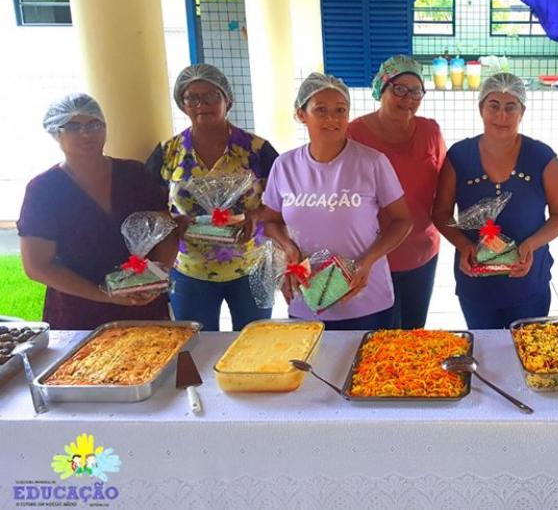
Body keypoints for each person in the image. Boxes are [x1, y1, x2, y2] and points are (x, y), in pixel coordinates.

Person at [260, 73, 413, 330]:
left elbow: (403, 220)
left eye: (340, 110)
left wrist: (367, 261)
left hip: (366, 297)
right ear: (301, 114)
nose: (332, 118)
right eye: (321, 109)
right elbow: (271, 221)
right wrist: (288, 248)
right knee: (313, 357)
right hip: (307, 295)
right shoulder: (284, 165)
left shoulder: (372, 162)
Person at [19, 94, 176, 330]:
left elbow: (167, 231)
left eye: (94, 124)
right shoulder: (44, 190)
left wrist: (154, 281)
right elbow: (37, 265)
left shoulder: (135, 175)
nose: (86, 134)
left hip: (144, 305)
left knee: (156, 353)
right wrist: (106, 295)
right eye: (73, 126)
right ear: (55, 133)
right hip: (80, 313)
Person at [433, 73, 558, 330]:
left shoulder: (541, 156)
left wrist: (531, 245)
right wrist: (463, 245)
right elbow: (441, 213)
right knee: (484, 344)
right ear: (481, 109)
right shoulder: (459, 156)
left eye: (511, 107)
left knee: (527, 347)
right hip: (476, 278)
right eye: (494, 106)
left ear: (522, 112)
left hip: (527, 277)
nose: (502, 116)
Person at [146, 64, 279, 332]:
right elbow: (149, 206)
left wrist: (254, 215)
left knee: (254, 342)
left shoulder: (256, 149)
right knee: (196, 345)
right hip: (190, 269)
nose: (201, 104)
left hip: (251, 264)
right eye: (192, 98)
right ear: (182, 104)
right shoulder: (169, 152)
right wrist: (173, 220)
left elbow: (286, 202)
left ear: (227, 99)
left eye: (211, 96)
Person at [348, 55, 446, 329]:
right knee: (378, 335)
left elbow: (445, 183)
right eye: (399, 89)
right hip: (370, 254)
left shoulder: (429, 131)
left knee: (414, 332)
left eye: (416, 91)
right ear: (381, 88)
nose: (408, 99)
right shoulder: (354, 134)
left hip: (421, 251)